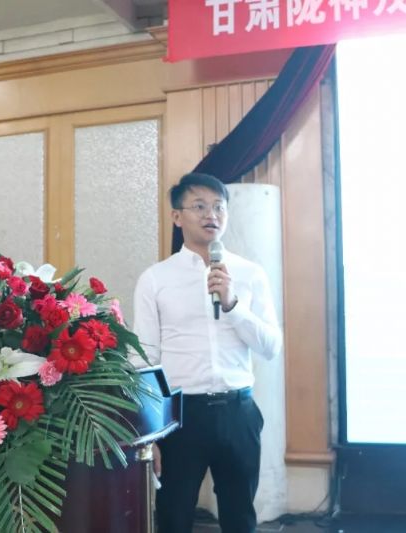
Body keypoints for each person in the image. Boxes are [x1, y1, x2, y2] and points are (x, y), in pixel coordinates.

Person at [132, 172, 282, 533]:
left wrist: (232, 305)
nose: (211, 214)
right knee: (174, 515)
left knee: (240, 516)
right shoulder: (156, 278)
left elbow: (270, 347)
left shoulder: (250, 274)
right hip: (180, 415)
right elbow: (144, 358)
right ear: (177, 216)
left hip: (238, 411)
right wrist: (149, 433)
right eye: (199, 206)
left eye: (218, 206)